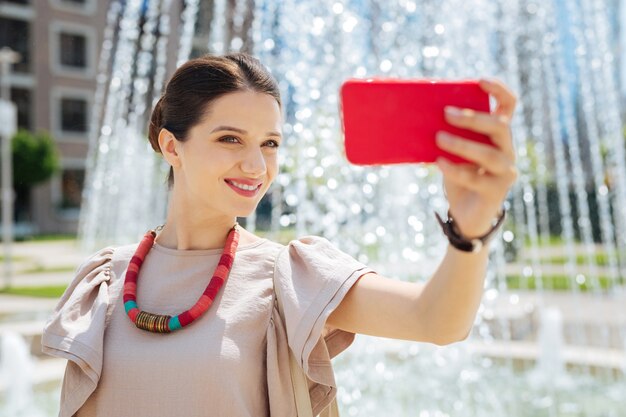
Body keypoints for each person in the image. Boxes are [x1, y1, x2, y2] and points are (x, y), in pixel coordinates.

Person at [42, 53, 517, 417]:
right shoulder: (105, 278)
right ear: (172, 145)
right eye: (230, 139)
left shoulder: (288, 276)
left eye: (269, 144)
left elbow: (436, 321)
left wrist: (469, 231)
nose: (255, 166)